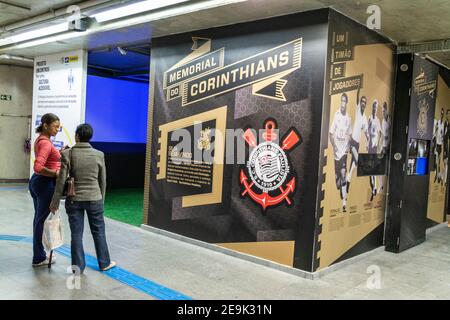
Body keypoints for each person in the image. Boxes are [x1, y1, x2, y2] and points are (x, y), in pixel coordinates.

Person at [50, 123, 115, 273]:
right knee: (98, 232)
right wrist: (101, 200)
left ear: (77, 136)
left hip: (74, 200)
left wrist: (54, 202)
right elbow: (102, 181)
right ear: (90, 137)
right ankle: (104, 263)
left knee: (76, 234)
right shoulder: (99, 154)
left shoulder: (67, 154)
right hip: (95, 199)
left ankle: (78, 267)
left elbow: (61, 180)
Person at [29, 113, 63, 267]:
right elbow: (38, 167)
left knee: (39, 221)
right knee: (40, 222)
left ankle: (40, 254)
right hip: (44, 184)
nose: (57, 129)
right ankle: (38, 257)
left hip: (37, 183)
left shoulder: (43, 140)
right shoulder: (46, 143)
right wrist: (55, 173)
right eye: (55, 126)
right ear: (45, 125)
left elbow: (46, 160)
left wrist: (59, 153)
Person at [329, 92, 352, 213]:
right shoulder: (336, 115)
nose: (343, 103)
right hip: (336, 152)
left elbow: (350, 133)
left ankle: (344, 202)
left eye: (345, 101)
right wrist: (334, 146)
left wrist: (348, 146)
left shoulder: (348, 118)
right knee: (338, 183)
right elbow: (331, 134)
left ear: (346, 103)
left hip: (343, 152)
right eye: (341, 101)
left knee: (343, 173)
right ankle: (342, 184)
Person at [347, 87, 369, 193]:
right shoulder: (357, 110)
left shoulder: (364, 117)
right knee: (357, 160)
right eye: (362, 101)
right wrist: (359, 85)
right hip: (352, 142)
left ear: (366, 104)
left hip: (358, 144)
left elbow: (366, 131)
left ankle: (347, 182)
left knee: (352, 167)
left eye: (365, 102)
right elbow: (357, 97)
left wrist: (368, 139)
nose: (363, 103)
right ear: (360, 103)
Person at [368, 100, 381, 201]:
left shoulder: (377, 120)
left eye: (376, 108)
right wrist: (368, 143)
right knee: (370, 170)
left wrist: (378, 143)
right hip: (370, 147)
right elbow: (367, 132)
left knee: (373, 169)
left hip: (375, 147)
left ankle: (374, 188)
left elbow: (380, 133)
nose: (375, 109)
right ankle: (374, 187)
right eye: (374, 107)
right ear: (372, 107)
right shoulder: (370, 119)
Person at [434, 108, 445, 184]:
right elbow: (435, 132)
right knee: (436, 161)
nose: (441, 115)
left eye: (442, 114)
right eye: (441, 113)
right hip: (436, 143)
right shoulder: (438, 122)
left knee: (439, 161)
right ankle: (435, 175)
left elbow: (443, 135)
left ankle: (438, 177)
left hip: (440, 144)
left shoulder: (443, 124)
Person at [444, 109, 450, 184]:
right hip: (444, 145)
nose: (448, 115)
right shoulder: (445, 123)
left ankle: (445, 180)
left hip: (447, 146)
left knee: (446, 164)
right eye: (448, 113)